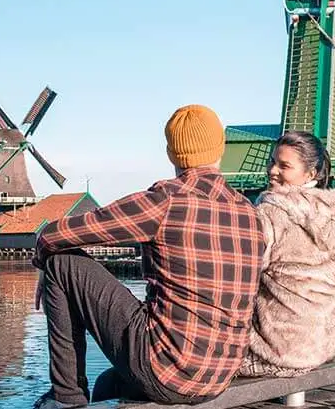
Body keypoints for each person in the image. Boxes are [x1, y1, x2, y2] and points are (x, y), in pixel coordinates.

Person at [31, 104, 265, 408]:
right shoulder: (249, 212)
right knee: (108, 384)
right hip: (219, 376)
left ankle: (65, 398)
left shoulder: (166, 202)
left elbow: (54, 235)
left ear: (171, 154)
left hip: (168, 370)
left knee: (62, 262)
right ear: (220, 148)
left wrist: (42, 263)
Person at [237, 131, 335, 378]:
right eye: (272, 162)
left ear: (311, 174)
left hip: (274, 352)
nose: (272, 170)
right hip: (319, 349)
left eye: (284, 166)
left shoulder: (271, 213)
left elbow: (243, 272)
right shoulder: (332, 216)